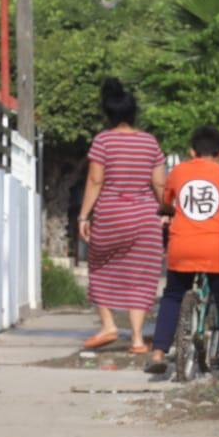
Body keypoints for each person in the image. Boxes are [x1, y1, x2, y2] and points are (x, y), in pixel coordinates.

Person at [145, 125, 219, 377]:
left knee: (172, 297)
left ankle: (158, 352)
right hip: (217, 251)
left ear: (192, 151)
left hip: (182, 248)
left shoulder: (178, 172)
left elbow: (166, 204)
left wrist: (168, 213)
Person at [78, 79, 166, 354]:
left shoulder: (103, 140)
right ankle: (138, 339)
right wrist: (167, 212)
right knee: (142, 273)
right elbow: (160, 185)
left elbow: (95, 181)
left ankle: (108, 325)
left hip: (111, 215)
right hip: (145, 218)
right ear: (133, 113)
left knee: (99, 265)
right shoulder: (150, 143)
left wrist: (83, 216)